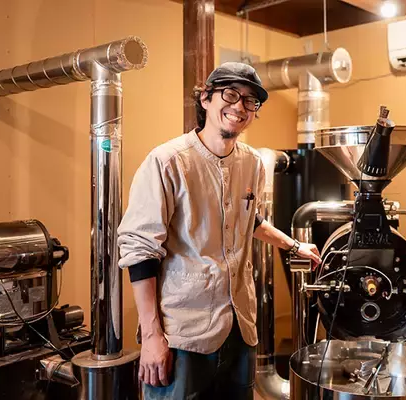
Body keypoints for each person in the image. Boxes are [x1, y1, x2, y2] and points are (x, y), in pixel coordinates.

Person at [117, 62, 322, 400]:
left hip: (240, 329)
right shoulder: (168, 161)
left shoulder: (252, 163)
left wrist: (293, 245)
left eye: (250, 100)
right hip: (184, 335)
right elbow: (140, 252)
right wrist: (152, 337)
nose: (240, 106)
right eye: (230, 94)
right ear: (205, 99)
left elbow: (250, 219)